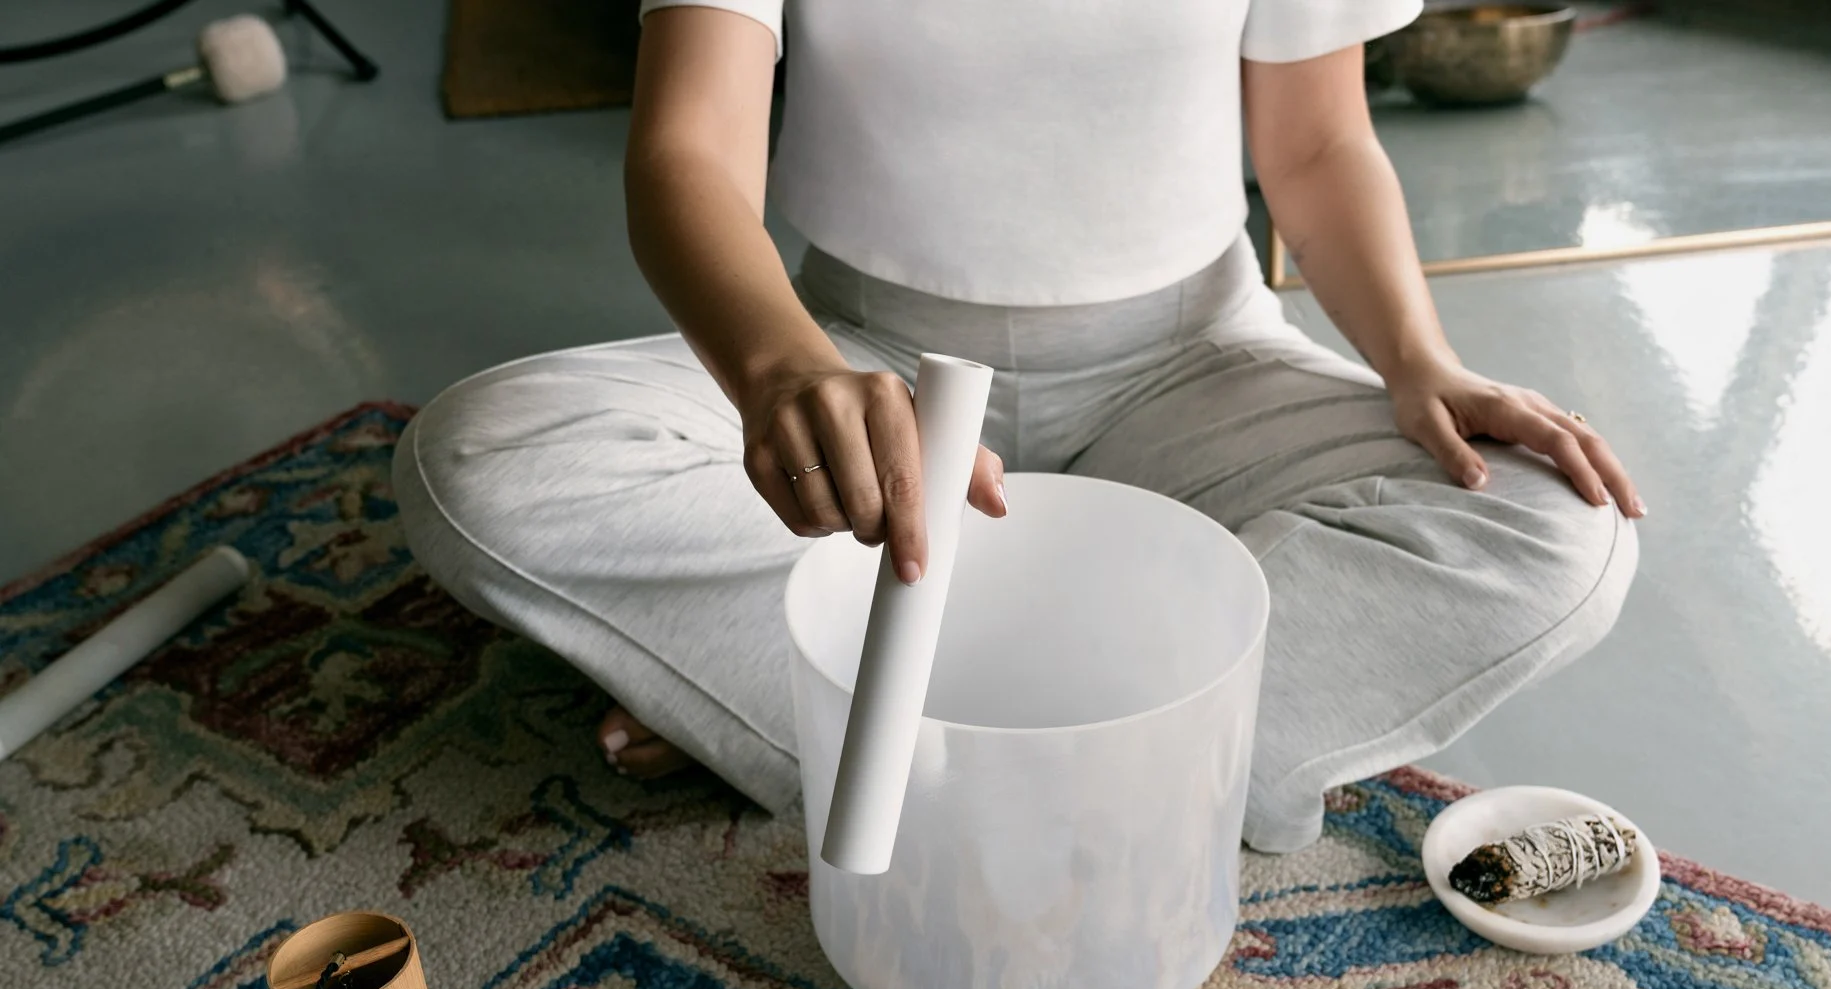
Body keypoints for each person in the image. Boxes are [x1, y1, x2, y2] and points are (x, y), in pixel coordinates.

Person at [394, 0, 1643, 856]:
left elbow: (1315, 144)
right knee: (487, 457)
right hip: (868, 358)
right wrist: (782, 373)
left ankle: (839, 703)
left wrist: (1419, 360)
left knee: (1549, 523)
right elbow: (685, 153)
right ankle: (1130, 751)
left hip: (1191, 366)